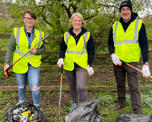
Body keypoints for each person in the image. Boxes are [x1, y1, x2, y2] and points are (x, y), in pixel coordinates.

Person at [108, 0, 151, 114]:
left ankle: (137, 109)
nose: (125, 11)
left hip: (132, 60)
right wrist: (112, 54)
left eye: (127, 9)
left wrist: (146, 62)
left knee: (133, 86)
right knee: (120, 83)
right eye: (123, 9)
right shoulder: (115, 25)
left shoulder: (139, 24)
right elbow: (110, 43)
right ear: (120, 11)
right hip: (118, 61)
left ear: (131, 11)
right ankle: (121, 102)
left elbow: (144, 44)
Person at [4, 10, 46, 107]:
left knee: (35, 87)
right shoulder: (16, 32)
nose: (29, 20)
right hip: (20, 63)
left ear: (34, 20)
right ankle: (21, 103)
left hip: (34, 64)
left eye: (31, 18)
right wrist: (7, 62)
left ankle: (37, 107)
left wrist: (37, 51)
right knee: (21, 86)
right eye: (27, 18)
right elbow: (10, 48)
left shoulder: (40, 34)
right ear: (24, 19)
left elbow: (44, 49)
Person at [57, 12, 95, 111]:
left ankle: (83, 108)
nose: (77, 22)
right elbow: (62, 49)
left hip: (82, 64)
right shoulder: (66, 35)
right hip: (69, 64)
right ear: (71, 22)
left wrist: (89, 64)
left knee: (81, 87)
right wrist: (61, 58)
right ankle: (75, 103)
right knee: (72, 86)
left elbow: (91, 51)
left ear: (82, 22)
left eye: (79, 20)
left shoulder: (87, 35)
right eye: (75, 20)